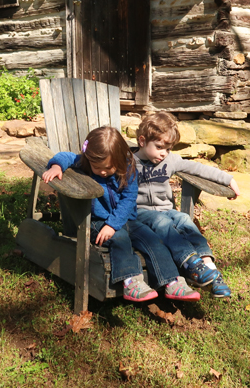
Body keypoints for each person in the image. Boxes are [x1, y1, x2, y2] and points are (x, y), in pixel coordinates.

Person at [42, 126, 200, 302]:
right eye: (97, 167)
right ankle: (131, 282)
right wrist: (56, 166)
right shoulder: (86, 162)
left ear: (119, 159)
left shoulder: (128, 169)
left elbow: (128, 199)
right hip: (97, 221)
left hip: (126, 219)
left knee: (154, 240)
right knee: (120, 239)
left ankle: (172, 282)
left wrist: (113, 223)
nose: (102, 171)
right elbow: (66, 156)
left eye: (108, 168)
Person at [132, 112, 241, 298]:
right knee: (162, 222)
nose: (163, 153)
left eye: (168, 148)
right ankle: (191, 264)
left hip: (166, 210)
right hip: (140, 215)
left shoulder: (169, 160)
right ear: (142, 141)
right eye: (159, 147)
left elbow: (197, 168)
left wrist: (227, 179)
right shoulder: (127, 161)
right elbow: (92, 159)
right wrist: (63, 162)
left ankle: (209, 269)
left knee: (183, 218)